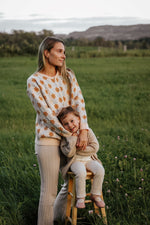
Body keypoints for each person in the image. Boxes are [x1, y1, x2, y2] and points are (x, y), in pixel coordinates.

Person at [27, 36, 89, 225]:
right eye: (59, 51)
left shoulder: (68, 75)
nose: (64, 55)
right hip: (49, 140)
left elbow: (79, 102)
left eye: (64, 51)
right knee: (49, 191)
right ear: (47, 53)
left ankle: (57, 218)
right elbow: (46, 114)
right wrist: (69, 134)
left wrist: (84, 130)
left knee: (70, 183)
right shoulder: (34, 81)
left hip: (72, 137)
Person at [57, 106, 105, 209]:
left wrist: (77, 149)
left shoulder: (87, 131)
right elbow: (69, 154)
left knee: (100, 170)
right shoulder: (66, 137)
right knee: (81, 172)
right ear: (62, 126)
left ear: (78, 119)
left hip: (89, 160)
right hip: (74, 162)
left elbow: (95, 147)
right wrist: (73, 139)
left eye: (72, 121)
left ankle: (95, 194)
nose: (70, 125)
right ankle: (80, 198)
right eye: (66, 124)